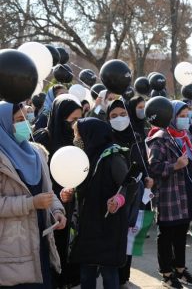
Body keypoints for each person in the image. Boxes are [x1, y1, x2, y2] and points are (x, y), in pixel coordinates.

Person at [0, 101, 67, 288]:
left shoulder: (36, 152)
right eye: (18, 120)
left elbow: (47, 190)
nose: (24, 125)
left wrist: (57, 211)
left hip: (41, 243)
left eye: (25, 119)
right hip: (12, 250)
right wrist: (30, 204)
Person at [69, 118, 134, 289]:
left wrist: (118, 200)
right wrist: (70, 192)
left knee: (108, 272)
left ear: (91, 134)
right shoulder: (84, 157)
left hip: (108, 224)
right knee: (86, 271)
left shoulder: (113, 155)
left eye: (78, 134)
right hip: (88, 224)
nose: (76, 138)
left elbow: (130, 185)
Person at [147, 100, 192, 289]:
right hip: (168, 196)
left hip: (185, 193)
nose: (185, 120)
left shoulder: (183, 136)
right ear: (170, 117)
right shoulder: (160, 138)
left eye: (187, 115)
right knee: (166, 236)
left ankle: (180, 269)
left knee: (181, 234)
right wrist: (175, 166)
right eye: (181, 116)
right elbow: (153, 167)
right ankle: (167, 274)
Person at [33, 97, 83, 288]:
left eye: (79, 120)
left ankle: (69, 279)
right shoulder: (43, 138)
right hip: (49, 201)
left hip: (72, 202)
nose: (75, 125)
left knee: (69, 244)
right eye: (71, 121)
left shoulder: (79, 139)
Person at [106, 100, 153, 287]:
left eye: (122, 114)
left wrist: (148, 177)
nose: (119, 119)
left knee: (132, 237)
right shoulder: (107, 138)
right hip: (116, 195)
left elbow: (143, 161)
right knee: (116, 238)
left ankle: (125, 276)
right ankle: (115, 276)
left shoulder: (136, 136)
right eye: (113, 116)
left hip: (138, 192)